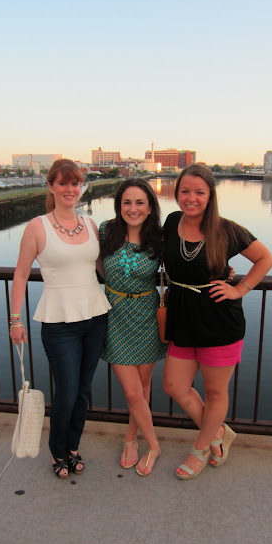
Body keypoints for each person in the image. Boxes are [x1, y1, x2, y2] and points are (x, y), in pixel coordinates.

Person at [162, 164, 272, 480]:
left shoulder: (226, 229)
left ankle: (201, 448)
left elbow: (265, 258)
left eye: (200, 192)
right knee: (174, 385)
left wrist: (239, 288)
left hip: (219, 321)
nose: (191, 198)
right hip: (182, 318)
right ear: (176, 192)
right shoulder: (171, 222)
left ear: (210, 195)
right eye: (185, 191)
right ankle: (218, 432)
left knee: (214, 392)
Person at [9, 159, 111, 479]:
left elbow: (102, 269)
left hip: (95, 317)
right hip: (59, 322)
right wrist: (15, 320)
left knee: (82, 390)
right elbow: (21, 275)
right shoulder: (37, 227)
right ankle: (57, 449)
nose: (70, 189)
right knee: (66, 392)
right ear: (51, 186)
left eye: (75, 183)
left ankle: (73, 446)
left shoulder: (90, 224)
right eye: (63, 183)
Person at [99, 179, 167, 476]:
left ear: (150, 207)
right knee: (132, 391)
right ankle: (154, 445)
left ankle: (131, 437)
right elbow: (93, 262)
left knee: (142, 387)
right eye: (127, 202)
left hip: (147, 316)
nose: (133, 208)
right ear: (119, 206)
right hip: (114, 315)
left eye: (140, 202)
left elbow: (185, 265)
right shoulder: (106, 230)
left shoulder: (160, 239)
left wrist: (224, 271)